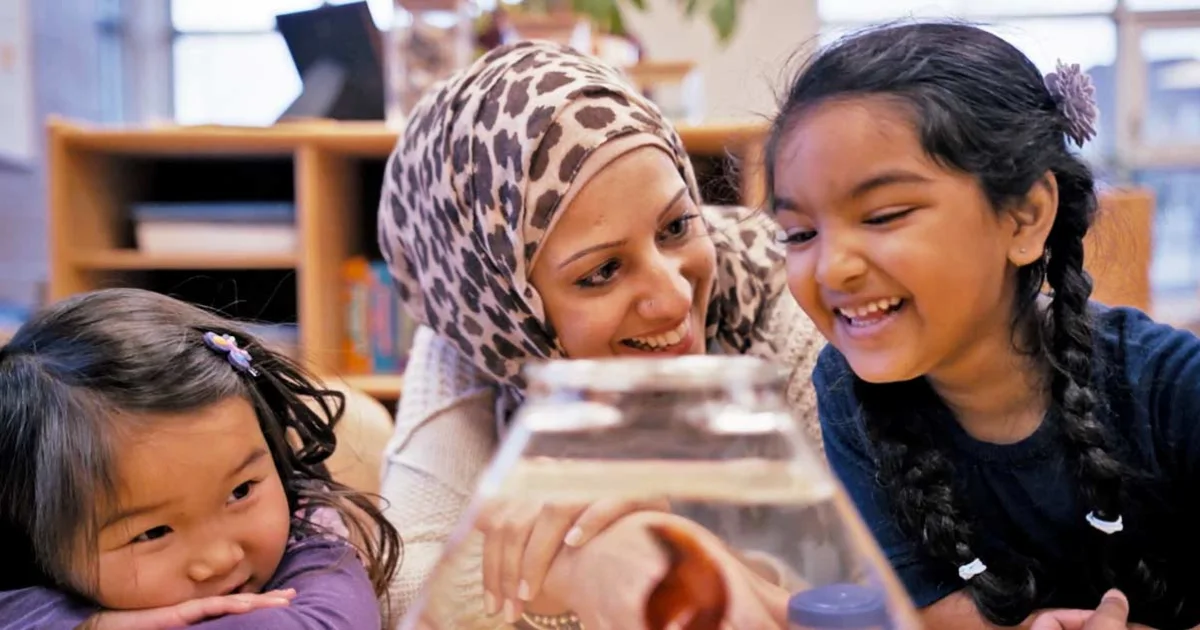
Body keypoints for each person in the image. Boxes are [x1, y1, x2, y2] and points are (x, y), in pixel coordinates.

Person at [767, 19, 1200, 630]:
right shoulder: (847, 389)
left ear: (1024, 217)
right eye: (800, 234)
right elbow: (921, 607)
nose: (832, 266)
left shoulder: (1173, 388)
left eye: (884, 215)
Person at [377, 40, 825, 628]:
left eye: (675, 226)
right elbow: (405, 585)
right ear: (507, 307)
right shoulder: (474, 337)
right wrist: (587, 558)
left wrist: (667, 523)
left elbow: (854, 578)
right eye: (601, 272)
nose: (673, 296)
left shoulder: (785, 291)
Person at [0, 288, 402, 629]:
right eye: (153, 532)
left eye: (241, 491)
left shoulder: (309, 532)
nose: (220, 559)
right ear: (34, 537)